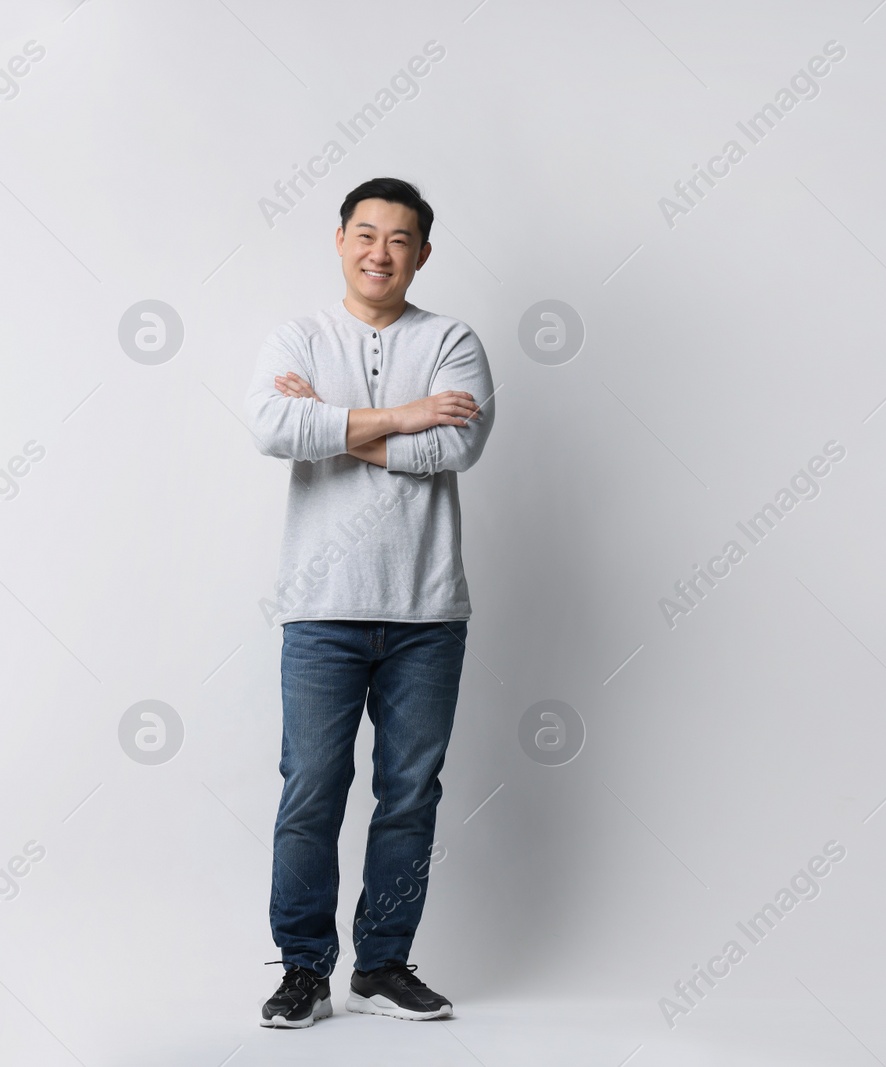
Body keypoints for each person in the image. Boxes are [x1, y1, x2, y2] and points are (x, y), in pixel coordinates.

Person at [245, 177, 495, 1028]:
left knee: (410, 793)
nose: (379, 251)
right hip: (320, 608)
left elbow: (457, 443)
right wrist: (405, 416)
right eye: (365, 233)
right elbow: (274, 427)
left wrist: (343, 424)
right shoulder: (299, 335)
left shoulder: (453, 339)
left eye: (399, 239)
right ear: (340, 240)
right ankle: (305, 968)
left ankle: (382, 964)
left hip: (428, 612)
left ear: (422, 253)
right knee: (311, 788)